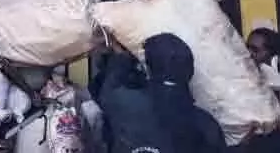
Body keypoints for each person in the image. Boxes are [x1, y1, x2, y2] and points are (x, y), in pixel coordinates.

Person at [97, 33, 227, 153]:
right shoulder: (207, 126)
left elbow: (108, 89)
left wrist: (121, 57)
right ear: (190, 74)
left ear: (148, 69)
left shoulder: (124, 105)